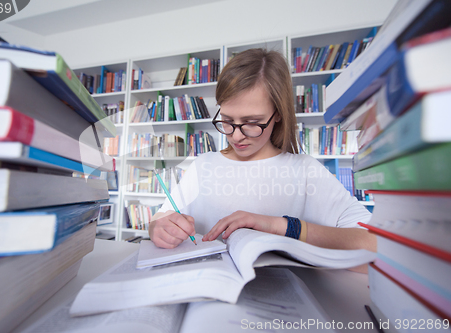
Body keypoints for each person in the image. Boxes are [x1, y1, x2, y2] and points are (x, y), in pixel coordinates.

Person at [148, 48, 376, 271]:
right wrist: (158, 228)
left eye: (252, 122)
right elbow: (161, 218)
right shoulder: (203, 166)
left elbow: (375, 243)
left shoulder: (305, 171)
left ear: (277, 113)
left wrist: (282, 226)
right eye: (227, 120)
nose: (236, 136)